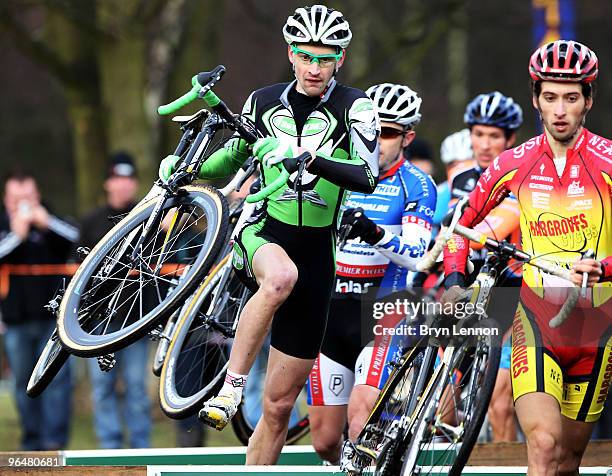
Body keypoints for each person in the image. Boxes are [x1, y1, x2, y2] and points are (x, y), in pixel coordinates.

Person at [159, 4, 379, 464]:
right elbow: (231, 160)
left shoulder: (355, 106)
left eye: (326, 56)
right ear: (290, 53)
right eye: (305, 55)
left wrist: (307, 157)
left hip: (318, 255)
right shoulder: (262, 101)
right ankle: (230, 388)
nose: (314, 66)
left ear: (341, 57)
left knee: (278, 408)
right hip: (264, 232)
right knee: (279, 277)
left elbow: (365, 176)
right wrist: (188, 170)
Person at [443, 39, 611, 474]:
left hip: (597, 329)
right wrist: (455, 279)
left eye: (571, 98)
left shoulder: (608, 160)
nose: (559, 110)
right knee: (543, 443)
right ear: (536, 99)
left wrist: (604, 268)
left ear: (587, 101)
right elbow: (459, 228)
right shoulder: (511, 163)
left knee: (569, 459)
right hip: (535, 323)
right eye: (550, 97)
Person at [305, 82, 436, 464]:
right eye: (370, 128)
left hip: (382, 312)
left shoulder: (416, 185)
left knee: (362, 423)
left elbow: (417, 257)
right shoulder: (333, 167)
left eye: (389, 132)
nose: (377, 140)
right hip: (330, 310)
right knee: (326, 441)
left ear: (408, 136)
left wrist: (373, 232)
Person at [452, 91, 524, 442]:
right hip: (468, 293)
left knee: (499, 402)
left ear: (510, 139)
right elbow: (445, 233)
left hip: (511, 294)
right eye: (478, 134)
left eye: (494, 136)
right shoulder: (461, 181)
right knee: (443, 405)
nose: (484, 144)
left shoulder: (521, 178)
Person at [0, 170, 78, 450]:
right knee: (22, 383)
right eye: (16, 199)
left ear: (37, 197)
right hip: (16, 321)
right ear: (6, 201)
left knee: (57, 383)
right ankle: (31, 441)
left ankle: (55, 441)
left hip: (54, 321)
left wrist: (46, 224)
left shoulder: (52, 220)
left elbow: (78, 239)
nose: (23, 205)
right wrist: (17, 235)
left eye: (28, 198)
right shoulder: (3, 225)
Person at [80, 152, 152, 449]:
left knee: (136, 387)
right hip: (98, 323)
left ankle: (140, 446)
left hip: (136, 321)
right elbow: (75, 269)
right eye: (117, 179)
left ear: (134, 184)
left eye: (128, 179)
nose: (122, 185)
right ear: (107, 183)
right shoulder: (91, 221)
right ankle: (109, 447)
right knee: (102, 387)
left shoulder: (152, 217)